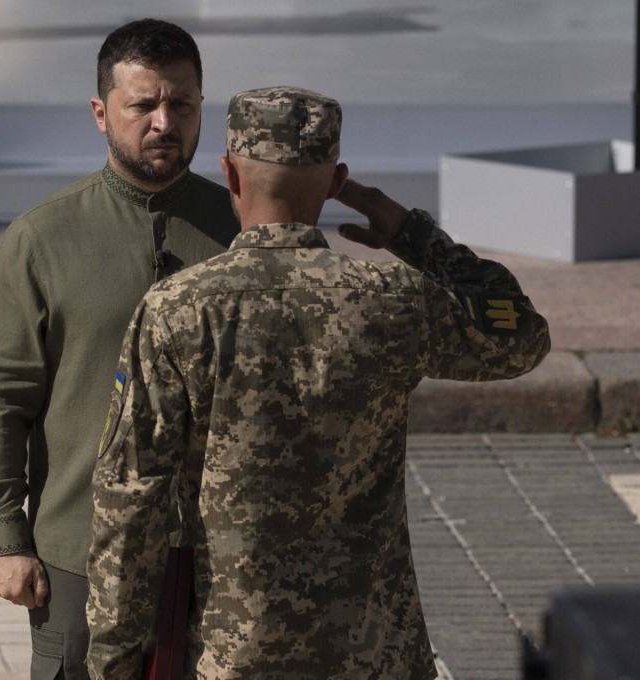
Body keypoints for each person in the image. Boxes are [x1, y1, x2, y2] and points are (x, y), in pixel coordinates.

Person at [85, 87, 551, 679]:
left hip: (236, 657)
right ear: (336, 184)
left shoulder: (180, 309)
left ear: (229, 173)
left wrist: (112, 661)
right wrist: (413, 235)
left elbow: (130, 497)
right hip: (376, 655)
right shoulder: (392, 301)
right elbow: (521, 331)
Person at [0, 19, 239, 680]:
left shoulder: (243, 229)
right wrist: (6, 538)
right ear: (100, 112)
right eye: (142, 105)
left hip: (223, 552)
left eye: (182, 104)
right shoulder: (43, 238)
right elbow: (3, 397)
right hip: (80, 550)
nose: (164, 122)